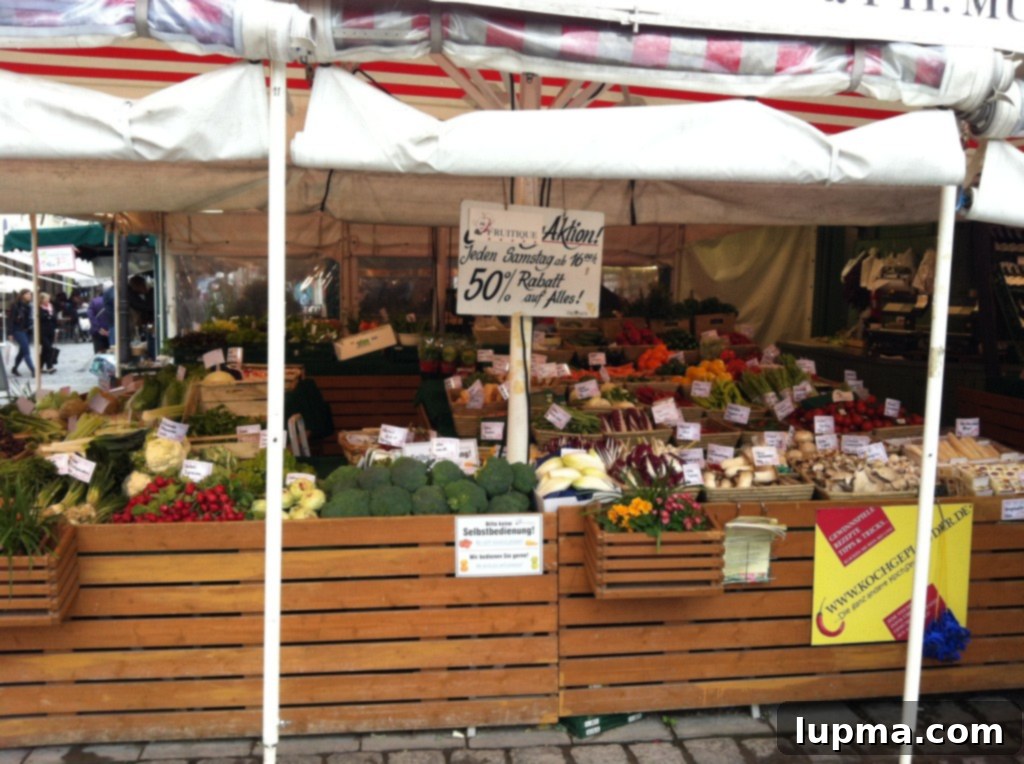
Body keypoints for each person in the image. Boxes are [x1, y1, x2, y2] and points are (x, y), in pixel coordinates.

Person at [7, 289, 35, 377]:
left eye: (30, 294)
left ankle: (14, 368)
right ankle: (33, 370)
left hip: (27, 330)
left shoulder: (30, 306)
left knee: (22, 351)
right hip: (18, 330)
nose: (30, 296)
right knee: (26, 350)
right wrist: (10, 333)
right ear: (22, 295)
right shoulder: (16, 306)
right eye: (28, 294)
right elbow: (10, 320)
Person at [37, 291, 58, 374]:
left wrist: (56, 329)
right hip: (42, 331)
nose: (48, 300)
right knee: (48, 348)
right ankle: (50, 367)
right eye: (47, 299)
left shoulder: (51, 306)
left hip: (51, 330)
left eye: (48, 299)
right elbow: (41, 317)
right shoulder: (39, 308)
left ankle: (40, 367)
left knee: (45, 350)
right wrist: (48, 316)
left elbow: (54, 317)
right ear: (42, 300)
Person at [87, 288, 112, 353]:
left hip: (98, 332)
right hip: (111, 331)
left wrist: (99, 328)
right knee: (111, 352)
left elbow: (91, 316)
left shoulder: (94, 301)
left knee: (99, 353)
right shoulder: (113, 300)